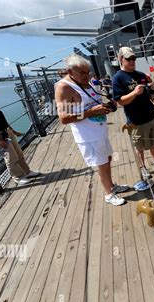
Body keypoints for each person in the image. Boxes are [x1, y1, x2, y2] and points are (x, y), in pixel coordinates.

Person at [55, 54, 128, 205]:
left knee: (107, 159)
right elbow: (64, 118)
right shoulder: (65, 88)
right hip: (89, 136)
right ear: (70, 71)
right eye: (82, 72)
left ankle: (112, 186)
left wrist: (106, 106)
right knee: (102, 163)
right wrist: (91, 112)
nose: (86, 75)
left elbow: (93, 103)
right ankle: (109, 194)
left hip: (100, 131)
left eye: (87, 71)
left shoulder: (85, 82)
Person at [112, 47, 154, 181]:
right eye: (129, 59)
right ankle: (143, 168)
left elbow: (150, 92)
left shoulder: (140, 74)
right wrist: (134, 93)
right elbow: (120, 101)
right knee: (139, 146)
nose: (132, 61)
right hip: (136, 119)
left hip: (150, 115)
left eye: (134, 58)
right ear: (121, 59)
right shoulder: (118, 78)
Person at [0, 84, 41, 186]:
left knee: (18, 152)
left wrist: (12, 130)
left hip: (6, 131)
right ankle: (18, 177)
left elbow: (1, 118)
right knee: (10, 156)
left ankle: (27, 172)